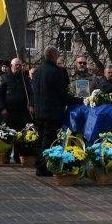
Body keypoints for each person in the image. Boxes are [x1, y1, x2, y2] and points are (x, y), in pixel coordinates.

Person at [30, 47, 69, 176]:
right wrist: (78, 101)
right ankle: (43, 167)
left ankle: (40, 164)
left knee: (41, 139)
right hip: (51, 112)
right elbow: (61, 94)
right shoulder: (56, 72)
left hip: (39, 111)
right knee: (48, 140)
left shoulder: (36, 72)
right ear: (53, 56)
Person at [0, 57, 33, 136]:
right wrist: (2, 108)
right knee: (9, 134)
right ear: (11, 65)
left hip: (22, 111)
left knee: (22, 133)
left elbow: (30, 93)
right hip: (9, 111)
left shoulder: (24, 78)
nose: (18, 67)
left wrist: (31, 105)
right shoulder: (4, 77)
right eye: (16, 65)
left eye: (20, 65)